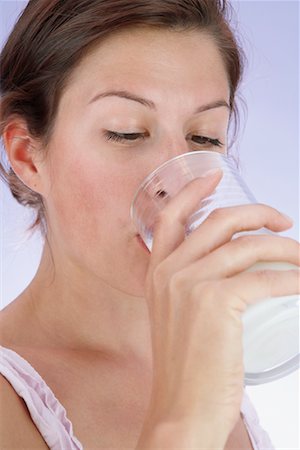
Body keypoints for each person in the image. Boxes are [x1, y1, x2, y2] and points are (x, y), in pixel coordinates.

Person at [0, 0, 299, 448]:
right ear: (27, 155)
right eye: (126, 133)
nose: (177, 183)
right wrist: (182, 423)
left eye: (204, 137)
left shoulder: (213, 352)